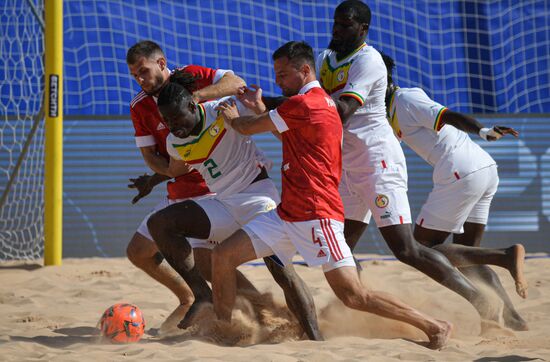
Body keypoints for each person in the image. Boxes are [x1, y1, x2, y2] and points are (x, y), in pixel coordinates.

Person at [212, 40, 452, 350]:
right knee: (223, 255)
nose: (277, 81)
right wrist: (258, 107)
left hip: (316, 214)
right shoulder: (317, 103)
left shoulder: (304, 104)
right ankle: (221, 330)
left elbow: (245, 129)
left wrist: (232, 116)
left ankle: (434, 325)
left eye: (283, 74)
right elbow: (285, 134)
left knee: (353, 295)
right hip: (288, 214)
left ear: (305, 70)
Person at [317, 0, 500, 324]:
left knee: (409, 249)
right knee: (341, 248)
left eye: (345, 25)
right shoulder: (325, 60)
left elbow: (340, 112)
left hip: (382, 165)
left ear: (363, 29)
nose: (336, 30)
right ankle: (354, 307)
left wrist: (483, 130)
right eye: (335, 23)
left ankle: (482, 300)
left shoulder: (377, 69)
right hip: (350, 166)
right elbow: (317, 105)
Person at [146, 70, 323, 340]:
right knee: (160, 223)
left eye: (177, 117)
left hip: (258, 198)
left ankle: (314, 337)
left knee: (281, 270)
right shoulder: (174, 141)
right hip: (224, 204)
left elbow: (238, 84)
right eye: (167, 120)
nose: (173, 125)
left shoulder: (223, 109)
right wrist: (151, 179)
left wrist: (258, 107)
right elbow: (175, 170)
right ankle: (205, 301)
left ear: (193, 105)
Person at [382, 52, 529, 330]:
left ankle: (505, 255)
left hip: (461, 171)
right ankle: (510, 318)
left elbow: (448, 115)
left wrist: (483, 129)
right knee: (469, 257)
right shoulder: (387, 108)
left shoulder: (405, 98)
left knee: (421, 248)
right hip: (481, 168)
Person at [125, 40, 247, 331]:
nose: (140, 79)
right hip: (177, 190)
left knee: (208, 261)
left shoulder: (190, 76)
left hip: (214, 188)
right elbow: (150, 158)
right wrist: (168, 171)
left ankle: (259, 304)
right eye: (135, 75)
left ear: (162, 64)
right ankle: (187, 297)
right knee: (138, 252)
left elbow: (237, 82)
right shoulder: (140, 106)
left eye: (143, 71)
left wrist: (195, 96)